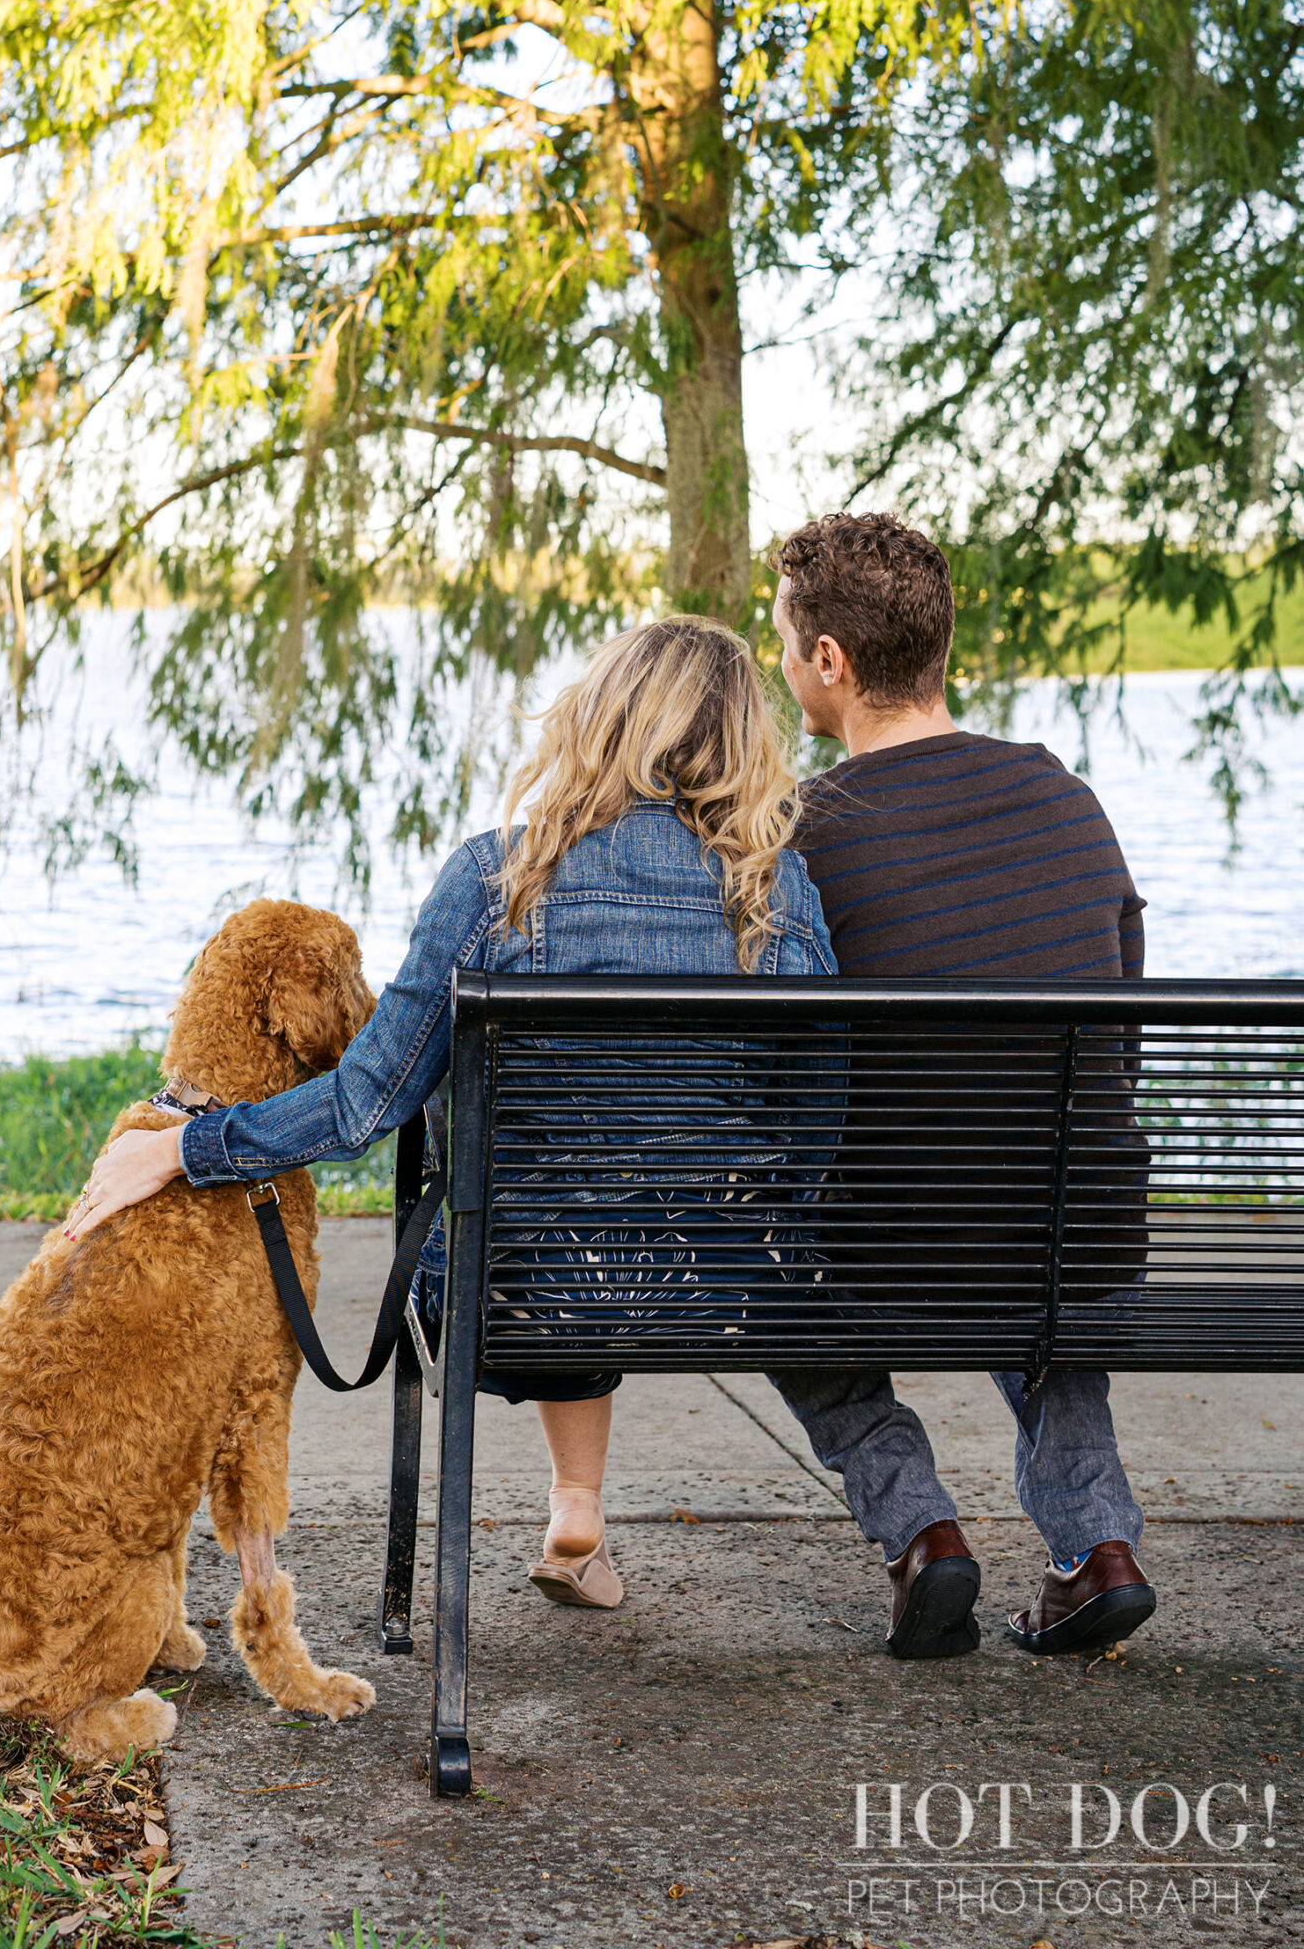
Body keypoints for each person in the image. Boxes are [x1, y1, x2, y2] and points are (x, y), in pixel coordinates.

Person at [62, 614, 835, 1607]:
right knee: (609, 1216)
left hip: (513, 1292)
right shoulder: (782, 891)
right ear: (743, 745)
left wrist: (189, 1148)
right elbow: (813, 1126)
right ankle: (576, 1507)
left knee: (564, 1219)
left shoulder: (496, 877)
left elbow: (364, 1104)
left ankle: (556, 1519)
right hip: (721, 1294)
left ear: (597, 721)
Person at [766, 510, 1158, 1661]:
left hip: (896, 1242)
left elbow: (778, 1075)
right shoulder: (1064, 797)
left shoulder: (808, 831)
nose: (784, 662)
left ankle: (922, 1532)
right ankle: (1099, 1549)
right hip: (1073, 1238)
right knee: (1047, 1204)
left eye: (784, 638)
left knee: (769, 1272)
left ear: (830, 660)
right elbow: (1119, 1035)